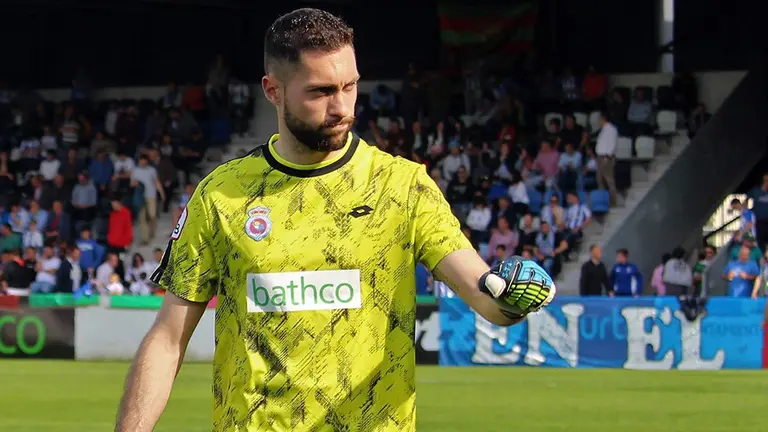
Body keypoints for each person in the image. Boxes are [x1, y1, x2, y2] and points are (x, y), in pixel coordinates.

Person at [114, 9, 556, 432]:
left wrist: (512, 296)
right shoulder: (222, 195)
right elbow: (168, 338)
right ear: (273, 91)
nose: (342, 106)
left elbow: (482, 293)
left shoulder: (402, 187)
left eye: (350, 86)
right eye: (321, 92)